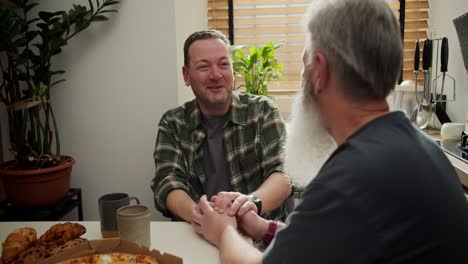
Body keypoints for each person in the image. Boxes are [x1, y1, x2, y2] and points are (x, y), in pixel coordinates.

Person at [190, 0, 468, 263]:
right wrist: (262, 227)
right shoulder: (411, 146)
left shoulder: (352, 178)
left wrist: (223, 230)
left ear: (320, 71)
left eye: (303, 63)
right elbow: (330, 240)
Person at [151, 30, 293, 223]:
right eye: (203, 66)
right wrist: (199, 216)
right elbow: (168, 181)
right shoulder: (173, 124)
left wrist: (250, 203)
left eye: (224, 64)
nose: (216, 75)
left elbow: (283, 174)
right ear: (186, 75)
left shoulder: (263, 112)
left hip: (259, 233)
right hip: (198, 233)